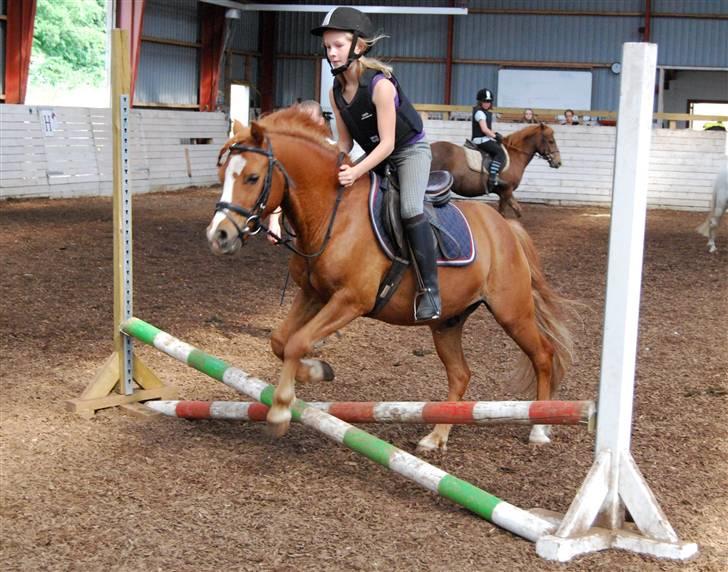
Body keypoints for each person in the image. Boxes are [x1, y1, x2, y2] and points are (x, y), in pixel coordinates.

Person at [311, 6, 439, 321]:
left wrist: (355, 170)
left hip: (408, 151)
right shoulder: (335, 92)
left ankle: (431, 290)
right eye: (328, 47)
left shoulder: (380, 85)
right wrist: (328, 164)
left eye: (338, 46)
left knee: (410, 208)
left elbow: (388, 144)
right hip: (374, 155)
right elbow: (344, 143)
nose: (332, 53)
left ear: (359, 45)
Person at [267, 100, 333, 243]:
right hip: (301, 224)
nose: (305, 126)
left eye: (310, 121)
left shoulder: (333, 152)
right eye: (301, 122)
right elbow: (283, 188)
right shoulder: (294, 156)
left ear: (321, 122)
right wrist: (274, 221)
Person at [471, 88, 506, 191]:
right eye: (485, 101)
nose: (487, 104)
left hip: (484, 138)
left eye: (489, 102)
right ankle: (492, 177)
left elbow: (488, 130)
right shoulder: (480, 113)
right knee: (500, 153)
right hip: (480, 140)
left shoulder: (484, 112)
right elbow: (485, 130)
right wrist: (495, 136)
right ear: (480, 101)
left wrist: (495, 134)